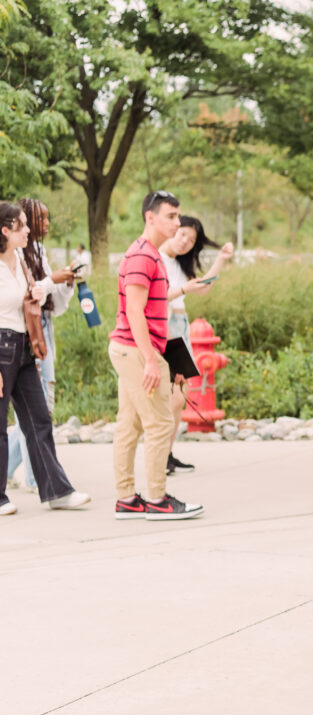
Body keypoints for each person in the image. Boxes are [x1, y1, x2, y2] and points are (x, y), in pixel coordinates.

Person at [108, 191, 203, 520]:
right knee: (161, 422)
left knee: (130, 424)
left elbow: (156, 304)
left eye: (178, 216)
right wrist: (151, 359)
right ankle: (158, 500)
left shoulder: (151, 255)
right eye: (171, 216)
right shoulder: (142, 257)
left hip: (136, 349)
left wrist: (170, 357)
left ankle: (126, 499)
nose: (177, 224)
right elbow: (134, 311)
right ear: (151, 218)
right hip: (136, 350)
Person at [0, 202, 90, 515]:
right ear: (5, 230)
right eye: (22, 226)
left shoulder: (23, 258)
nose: (28, 230)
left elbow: (33, 290)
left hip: (24, 347)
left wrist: (53, 281)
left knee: (39, 419)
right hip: (1, 347)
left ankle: (57, 490)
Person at [7, 198, 75, 494]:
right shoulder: (8, 258)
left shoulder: (30, 255)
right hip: (12, 339)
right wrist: (52, 280)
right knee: (22, 415)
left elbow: (43, 299)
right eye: (26, 223)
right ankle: (20, 485)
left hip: (34, 334)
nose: (44, 225)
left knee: (39, 412)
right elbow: (24, 296)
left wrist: (60, 284)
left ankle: (43, 484)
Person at [161, 216, 233, 475]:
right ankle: (160, 457)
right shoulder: (157, 258)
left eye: (191, 240)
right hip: (167, 328)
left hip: (180, 325)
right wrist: (183, 291)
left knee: (179, 396)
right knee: (174, 397)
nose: (185, 242)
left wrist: (221, 260)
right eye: (182, 235)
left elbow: (201, 288)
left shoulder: (177, 263)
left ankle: (166, 455)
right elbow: (156, 298)